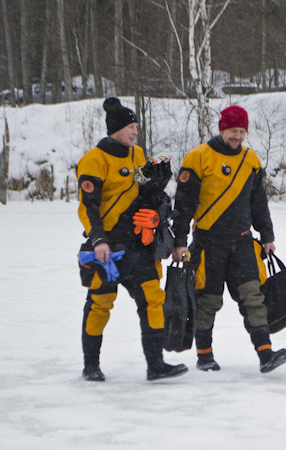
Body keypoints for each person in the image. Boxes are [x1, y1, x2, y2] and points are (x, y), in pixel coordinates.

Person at [171, 105, 286, 374]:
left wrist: (267, 235)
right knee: (208, 301)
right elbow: (184, 205)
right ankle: (204, 355)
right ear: (221, 129)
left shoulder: (251, 160)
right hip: (208, 244)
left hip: (243, 243)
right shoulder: (198, 158)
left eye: (241, 131)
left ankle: (265, 354)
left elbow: (259, 202)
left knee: (253, 297)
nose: (237, 136)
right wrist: (179, 242)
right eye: (232, 131)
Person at [77, 97, 187, 382]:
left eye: (137, 127)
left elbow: (141, 195)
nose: (135, 132)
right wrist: (98, 239)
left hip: (139, 246)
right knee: (101, 303)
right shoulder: (94, 160)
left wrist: (157, 186)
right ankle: (91, 365)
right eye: (131, 127)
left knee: (153, 299)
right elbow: (88, 206)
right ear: (116, 129)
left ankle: (156, 365)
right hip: (109, 249)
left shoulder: (137, 154)